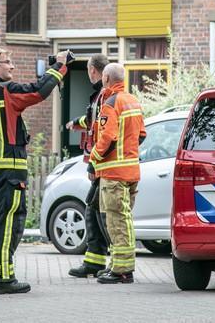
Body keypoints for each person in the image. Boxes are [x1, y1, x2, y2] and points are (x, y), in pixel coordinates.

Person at [0, 47, 68, 294]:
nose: (12, 66)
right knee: (9, 221)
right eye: (7, 62)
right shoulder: (6, 91)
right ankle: (2, 279)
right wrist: (60, 66)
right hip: (10, 170)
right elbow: (39, 90)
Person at [89, 63, 146, 284]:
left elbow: (108, 138)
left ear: (105, 78)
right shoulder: (132, 100)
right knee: (124, 220)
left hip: (114, 174)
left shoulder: (110, 102)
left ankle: (122, 270)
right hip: (131, 171)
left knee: (116, 222)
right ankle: (117, 264)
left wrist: (94, 157)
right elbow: (141, 135)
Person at [66, 54, 111, 278]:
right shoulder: (100, 97)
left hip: (104, 165)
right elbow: (92, 120)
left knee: (100, 212)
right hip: (101, 164)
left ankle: (110, 262)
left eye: (87, 69)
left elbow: (105, 132)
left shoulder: (105, 96)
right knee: (93, 209)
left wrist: (94, 164)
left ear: (93, 70)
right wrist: (76, 123)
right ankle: (94, 261)